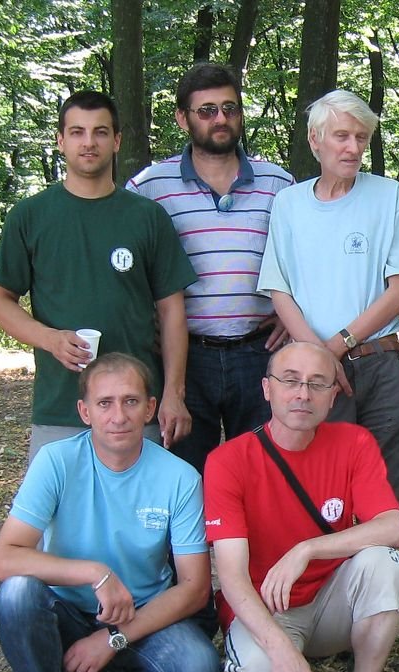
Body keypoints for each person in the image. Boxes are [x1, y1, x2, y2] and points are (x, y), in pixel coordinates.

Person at [0, 353, 221, 672]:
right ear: (84, 411)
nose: (119, 416)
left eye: (131, 401)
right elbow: (5, 558)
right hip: (63, 609)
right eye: (105, 403)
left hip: (141, 614)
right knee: (17, 594)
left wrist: (113, 638)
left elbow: (194, 588)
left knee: (197, 671)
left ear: (150, 408)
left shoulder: (180, 477)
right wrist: (96, 573)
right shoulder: (56, 461)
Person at [204, 341, 399, 672]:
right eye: (291, 381)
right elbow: (231, 577)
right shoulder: (229, 460)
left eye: (317, 384)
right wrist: (278, 647)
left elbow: (392, 528)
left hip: (331, 601)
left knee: (387, 562)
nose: (303, 394)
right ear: (267, 389)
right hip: (267, 606)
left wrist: (307, 549)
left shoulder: (353, 442)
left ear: (333, 395)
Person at [0, 90, 197, 460]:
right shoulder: (30, 216)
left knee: (140, 498)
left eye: (100, 132)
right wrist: (50, 339)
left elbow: (172, 311)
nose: (88, 142)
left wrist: (173, 394)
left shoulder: (147, 217)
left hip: (135, 407)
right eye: (77, 132)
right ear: (60, 141)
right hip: (60, 406)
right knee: (59, 499)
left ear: (116, 141)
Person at [257, 90, 399, 509]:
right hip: (310, 374)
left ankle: (381, 554)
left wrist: (335, 347)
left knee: (386, 495)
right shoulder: (289, 204)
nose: (353, 148)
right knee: (318, 492)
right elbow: (279, 289)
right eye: (342, 136)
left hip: (379, 364)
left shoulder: (387, 196)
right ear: (315, 140)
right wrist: (318, 359)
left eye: (361, 137)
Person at [127, 63, 296, 474]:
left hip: (260, 351)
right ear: (182, 117)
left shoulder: (279, 184)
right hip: (184, 356)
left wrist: (291, 317)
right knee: (183, 476)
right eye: (206, 110)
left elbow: (306, 262)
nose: (220, 118)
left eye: (229, 108)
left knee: (262, 473)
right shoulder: (149, 188)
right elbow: (126, 268)